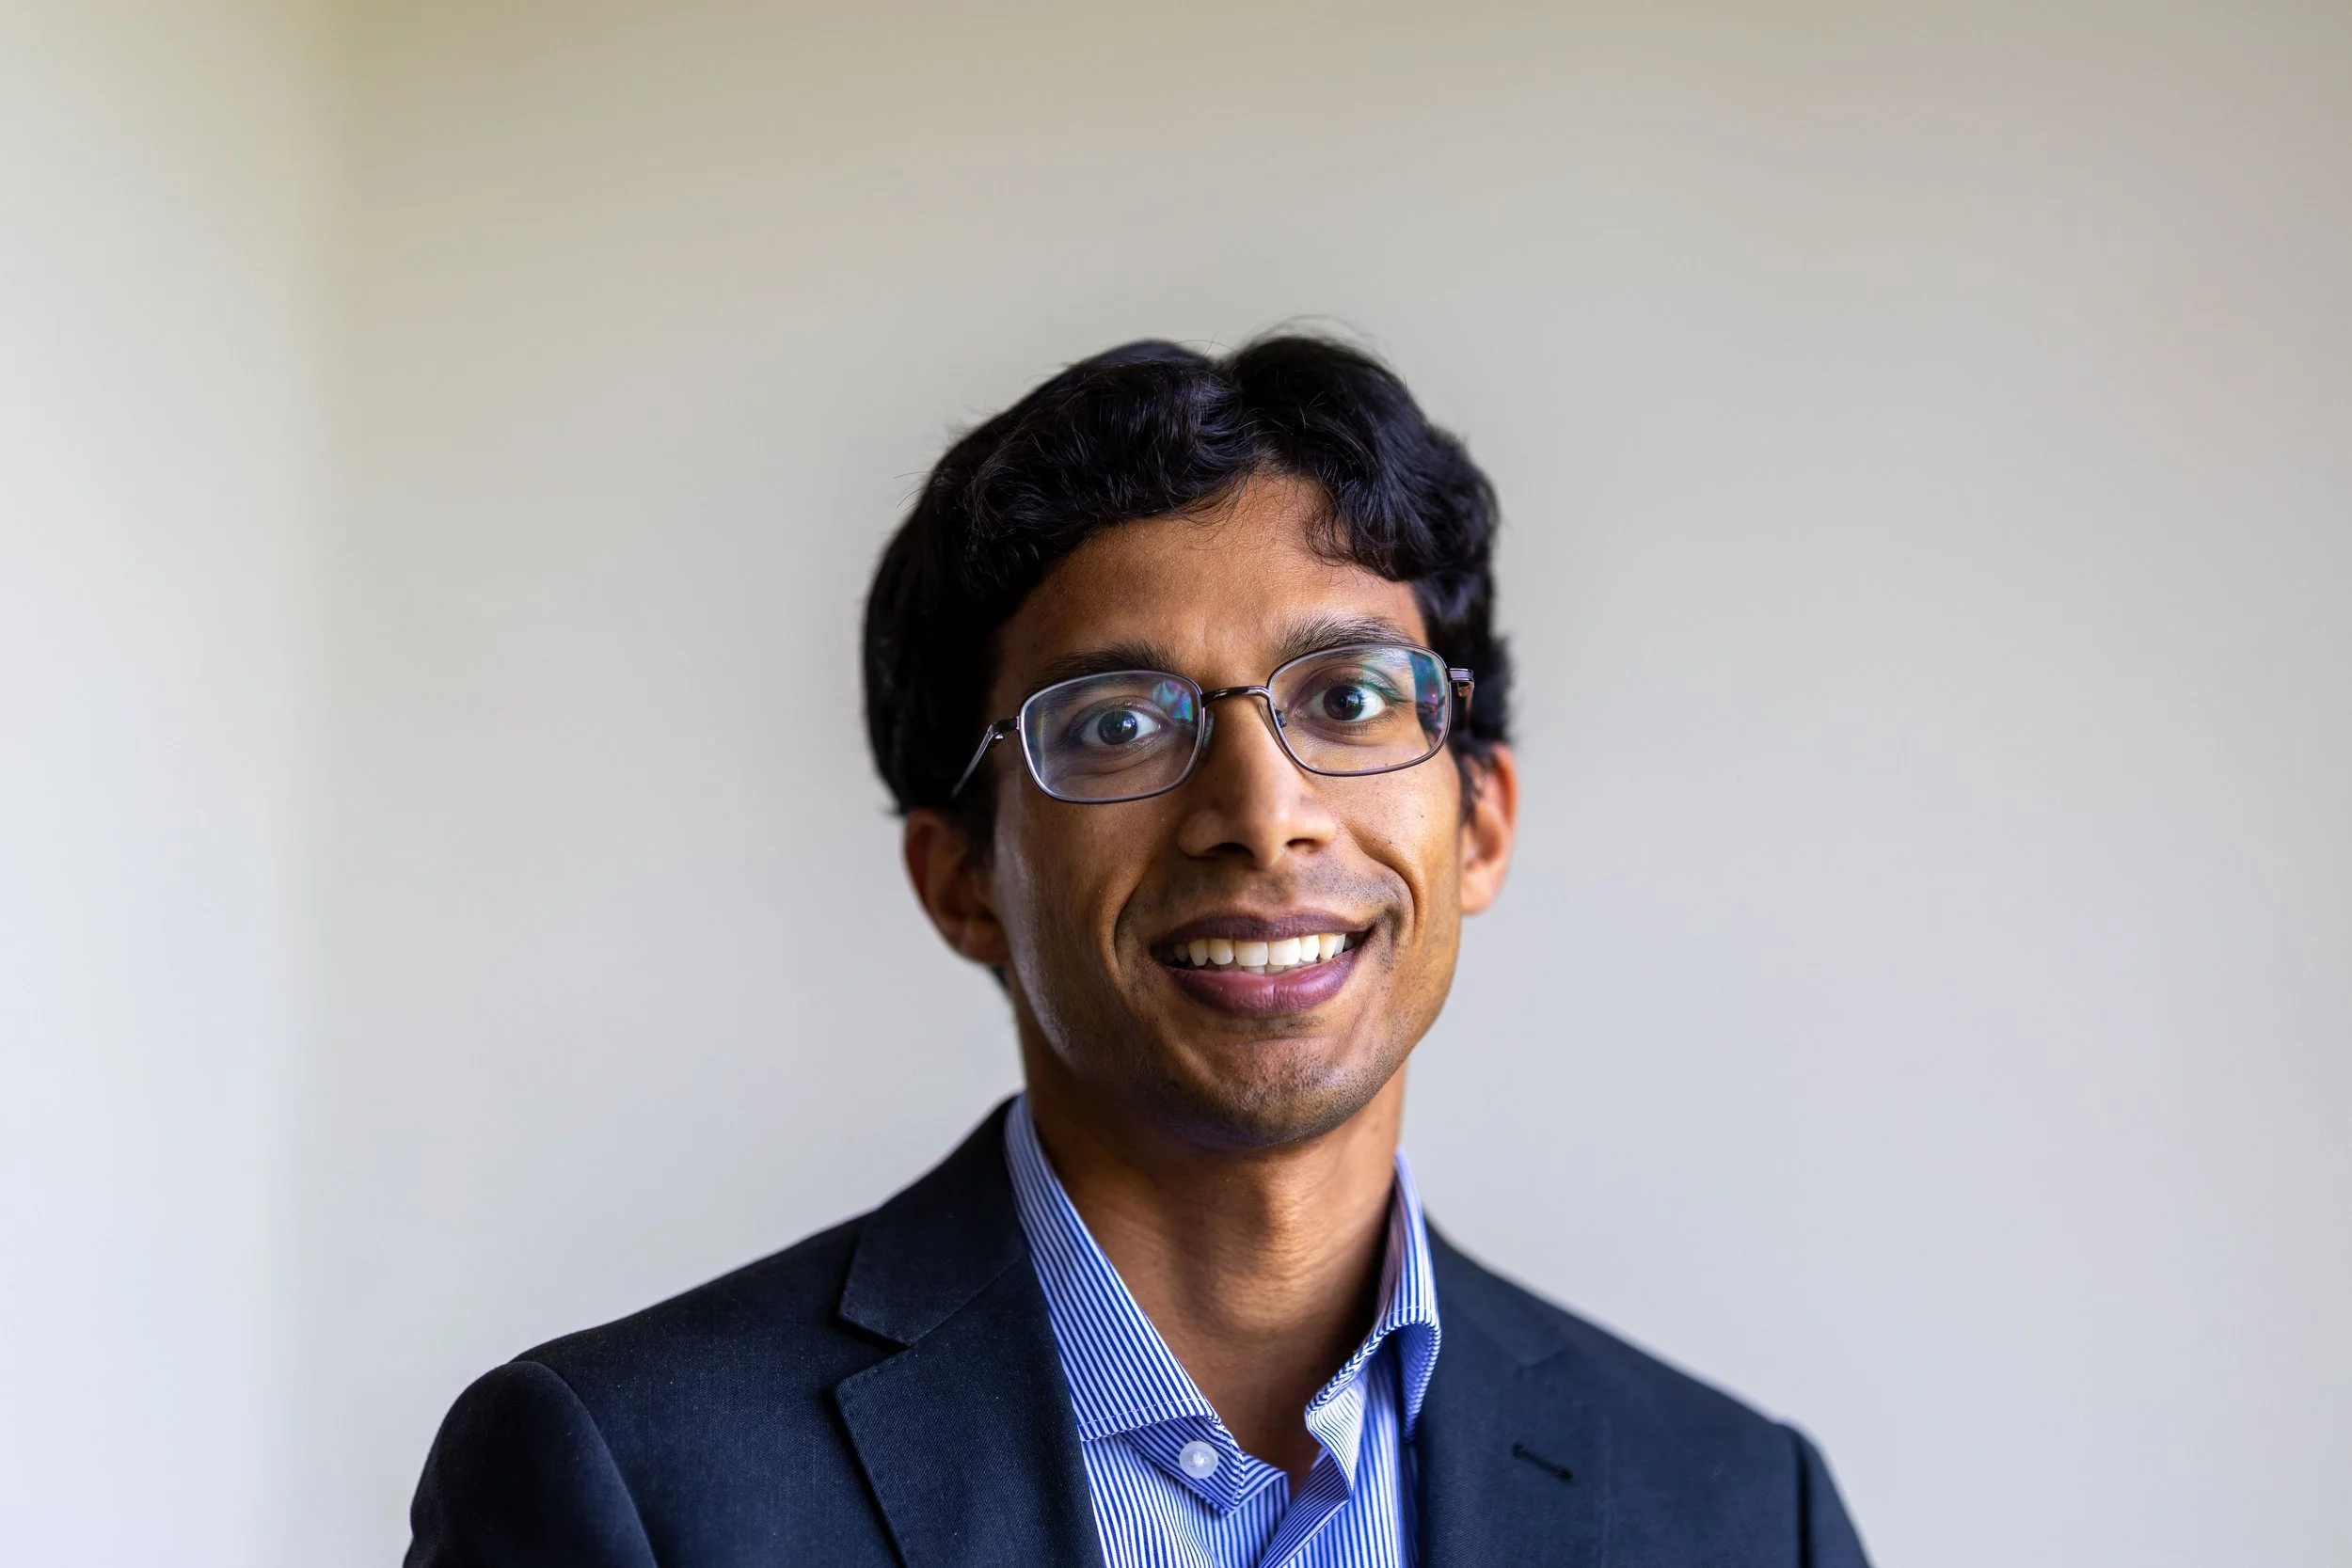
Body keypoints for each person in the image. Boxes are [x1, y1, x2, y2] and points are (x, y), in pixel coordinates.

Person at [405, 336, 1871, 1566]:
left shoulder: (1743, 1514)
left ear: (1478, 819)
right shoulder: (632, 1487)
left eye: (1351, 697)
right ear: (961, 877)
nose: (1263, 812)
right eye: (1115, 722)